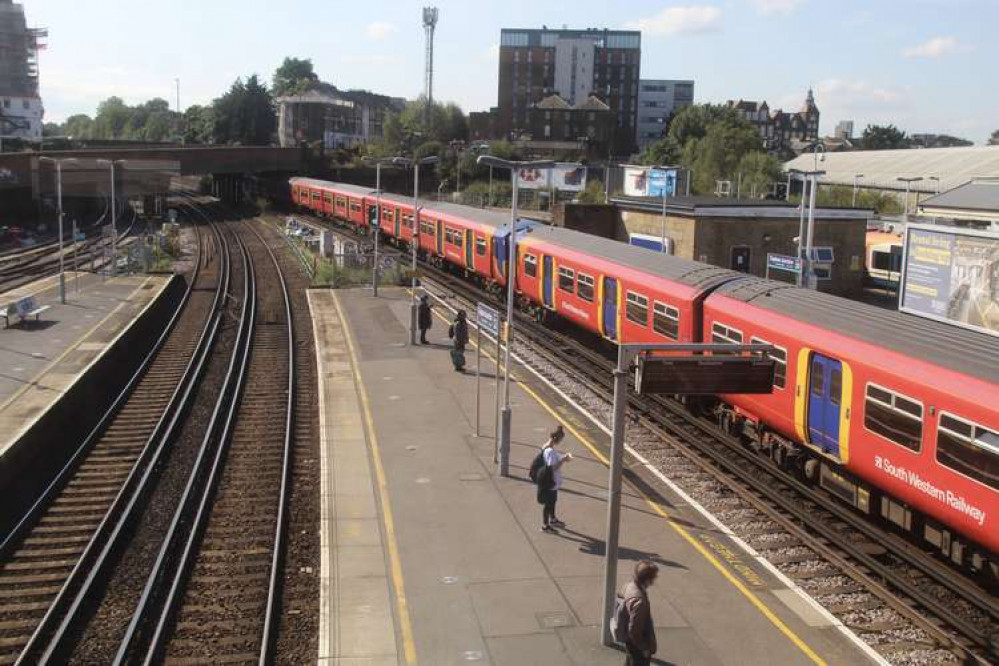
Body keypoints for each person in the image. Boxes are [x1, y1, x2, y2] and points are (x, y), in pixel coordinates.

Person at [622, 560, 659, 666]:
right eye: (653, 578)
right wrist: (644, 648)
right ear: (647, 580)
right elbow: (634, 630)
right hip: (638, 646)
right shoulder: (640, 602)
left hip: (629, 642)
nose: (654, 581)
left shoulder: (629, 586)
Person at [538, 425, 571, 532]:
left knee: (552, 501)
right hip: (550, 481)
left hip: (550, 481)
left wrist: (560, 458)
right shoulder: (550, 452)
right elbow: (553, 468)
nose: (561, 442)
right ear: (557, 439)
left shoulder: (545, 447)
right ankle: (545, 525)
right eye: (561, 439)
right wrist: (563, 460)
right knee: (549, 503)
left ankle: (553, 519)